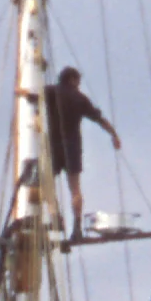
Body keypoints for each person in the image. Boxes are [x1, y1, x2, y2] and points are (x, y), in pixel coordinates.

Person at [43, 65, 114, 212]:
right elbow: (99, 119)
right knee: (75, 189)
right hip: (72, 147)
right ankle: (77, 225)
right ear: (72, 80)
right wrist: (114, 134)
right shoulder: (80, 98)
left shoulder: (50, 92)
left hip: (54, 145)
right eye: (78, 82)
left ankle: (54, 213)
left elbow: (33, 95)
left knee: (47, 183)